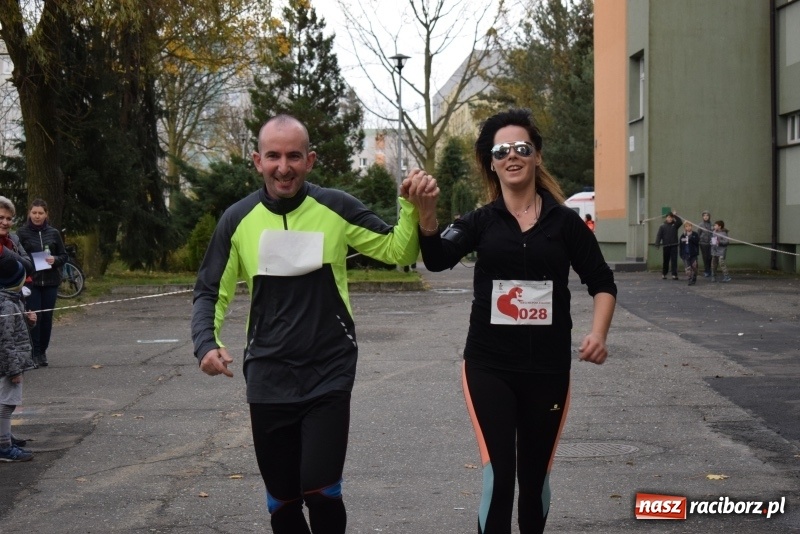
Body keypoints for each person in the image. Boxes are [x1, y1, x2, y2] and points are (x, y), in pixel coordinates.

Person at [191, 114, 427, 534]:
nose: (284, 167)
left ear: (310, 160)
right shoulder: (238, 219)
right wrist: (206, 343)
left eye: (294, 157)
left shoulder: (336, 207)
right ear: (257, 161)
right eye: (273, 156)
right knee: (282, 502)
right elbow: (210, 289)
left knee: (320, 490)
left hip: (328, 370)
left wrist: (410, 207)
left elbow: (398, 251)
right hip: (268, 373)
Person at [406, 109, 616, 534]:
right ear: (492, 162)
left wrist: (598, 333)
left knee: (534, 482)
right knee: (500, 478)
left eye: (522, 147)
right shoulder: (481, 221)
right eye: (502, 151)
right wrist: (426, 215)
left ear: (537, 156)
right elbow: (437, 258)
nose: (512, 156)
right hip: (490, 367)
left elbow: (602, 282)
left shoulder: (565, 223)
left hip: (548, 370)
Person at [16, 199, 68, 367]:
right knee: (33, 317)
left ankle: (42, 352)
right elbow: (16, 256)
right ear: (29, 214)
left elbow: (64, 255)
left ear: (46, 214)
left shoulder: (53, 233)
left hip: (51, 282)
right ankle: (34, 352)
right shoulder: (22, 233)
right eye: (34, 213)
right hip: (32, 282)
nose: (37, 216)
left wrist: (55, 259)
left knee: (46, 318)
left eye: (40, 213)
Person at [0, 254, 37, 462]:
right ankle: (4, 446)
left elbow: (16, 330)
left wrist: (29, 321)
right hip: (8, 365)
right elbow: (5, 341)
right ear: (17, 281)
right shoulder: (7, 305)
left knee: (6, 403)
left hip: (11, 362)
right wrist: (14, 370)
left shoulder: (13, 301)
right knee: (6, 405)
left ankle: (5, 437)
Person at [655, 211, 682, 280]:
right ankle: (664, 273)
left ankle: (674, 274)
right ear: (666, 218)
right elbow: (659, 235)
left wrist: (675, 215)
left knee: (674, 260)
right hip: (666, 245)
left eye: (671, 217)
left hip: (674, 245)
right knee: (666, 260)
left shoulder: (675, 225)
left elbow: (680, 222)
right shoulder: (662, 226)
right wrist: (657, 244)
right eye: (669, 217)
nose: (670, 219)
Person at [679, 221, 700, 286]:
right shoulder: (683, 235)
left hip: (693, 254)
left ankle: (694, 277)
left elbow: (697, 242)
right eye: (686, 226)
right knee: (687, 268)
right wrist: (681, 254)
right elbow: (681, 245)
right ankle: (690, 279)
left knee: (694, 267)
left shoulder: (695, 234)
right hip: (685, 254)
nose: (688, 227)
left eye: (689, 226)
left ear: (691, 226)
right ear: (684, 228)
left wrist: (690, 238)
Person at [697, 210, 713, 277]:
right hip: (703, 243)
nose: (705, 217)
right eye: (704, 215)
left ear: (709, 216)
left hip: (710, 243)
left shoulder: (712, 224)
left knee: (710, 257)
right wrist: (698, 241)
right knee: (705, 257)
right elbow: (698, 234)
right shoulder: (701, 224)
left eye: (707, 215)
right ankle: (706, 270)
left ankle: (710, 270)